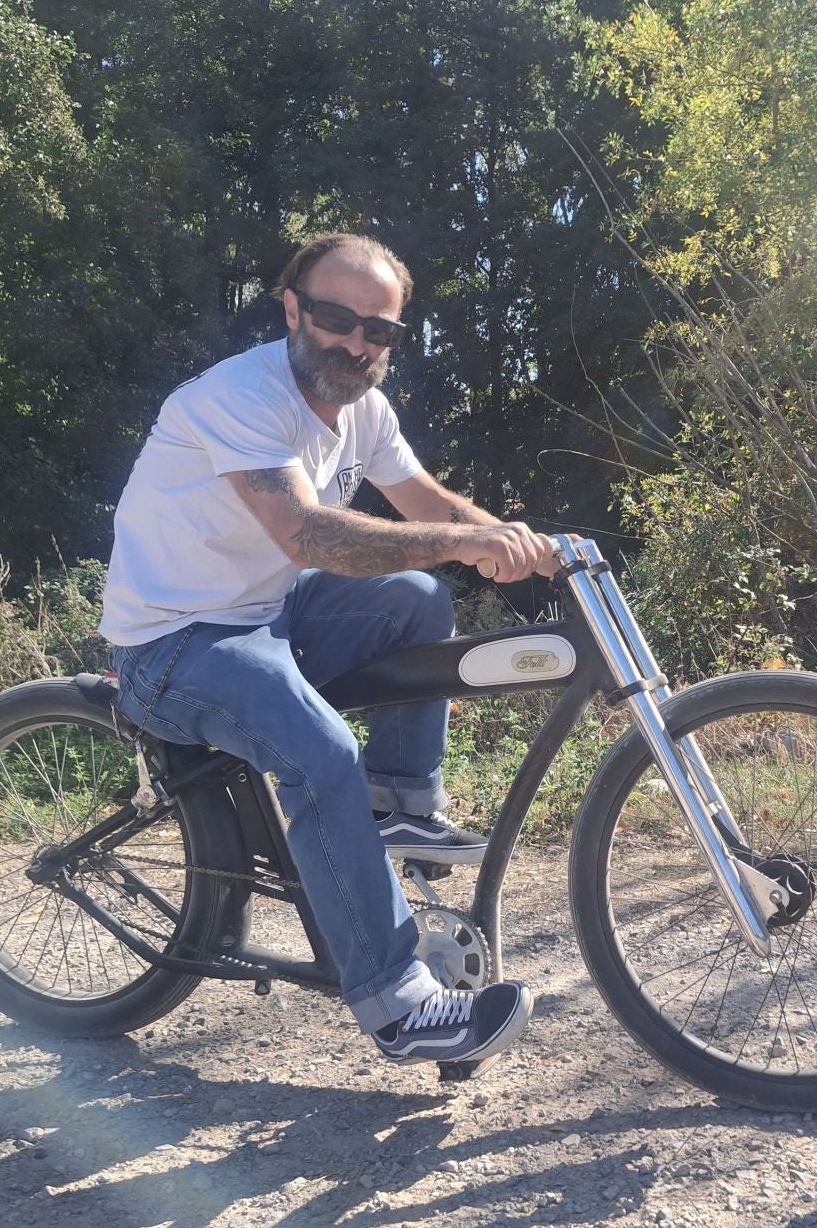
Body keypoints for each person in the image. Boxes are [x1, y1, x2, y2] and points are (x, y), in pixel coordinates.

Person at [98, 232, 557, 1066]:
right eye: (337, 318)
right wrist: (460, 540)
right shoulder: (241, 394)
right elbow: (308, 535)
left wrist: (524, 544)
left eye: (377, 330)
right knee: (318, 749)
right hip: (174, 640)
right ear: (293, 309)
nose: (355, 343)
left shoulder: (364, 409)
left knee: (417, 596)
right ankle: (400, 1005)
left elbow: (424, 501)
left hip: (268, 611)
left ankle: (397, 801)